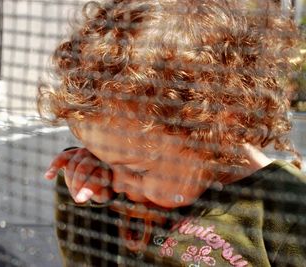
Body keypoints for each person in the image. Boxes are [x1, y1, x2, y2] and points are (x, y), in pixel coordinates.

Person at [37, 0, 306, 266]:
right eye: (102, 159)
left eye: (135, 171)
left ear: (217, 127)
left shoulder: (287, 212)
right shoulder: (122, 194)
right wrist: (89, 201)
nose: (116, 183)